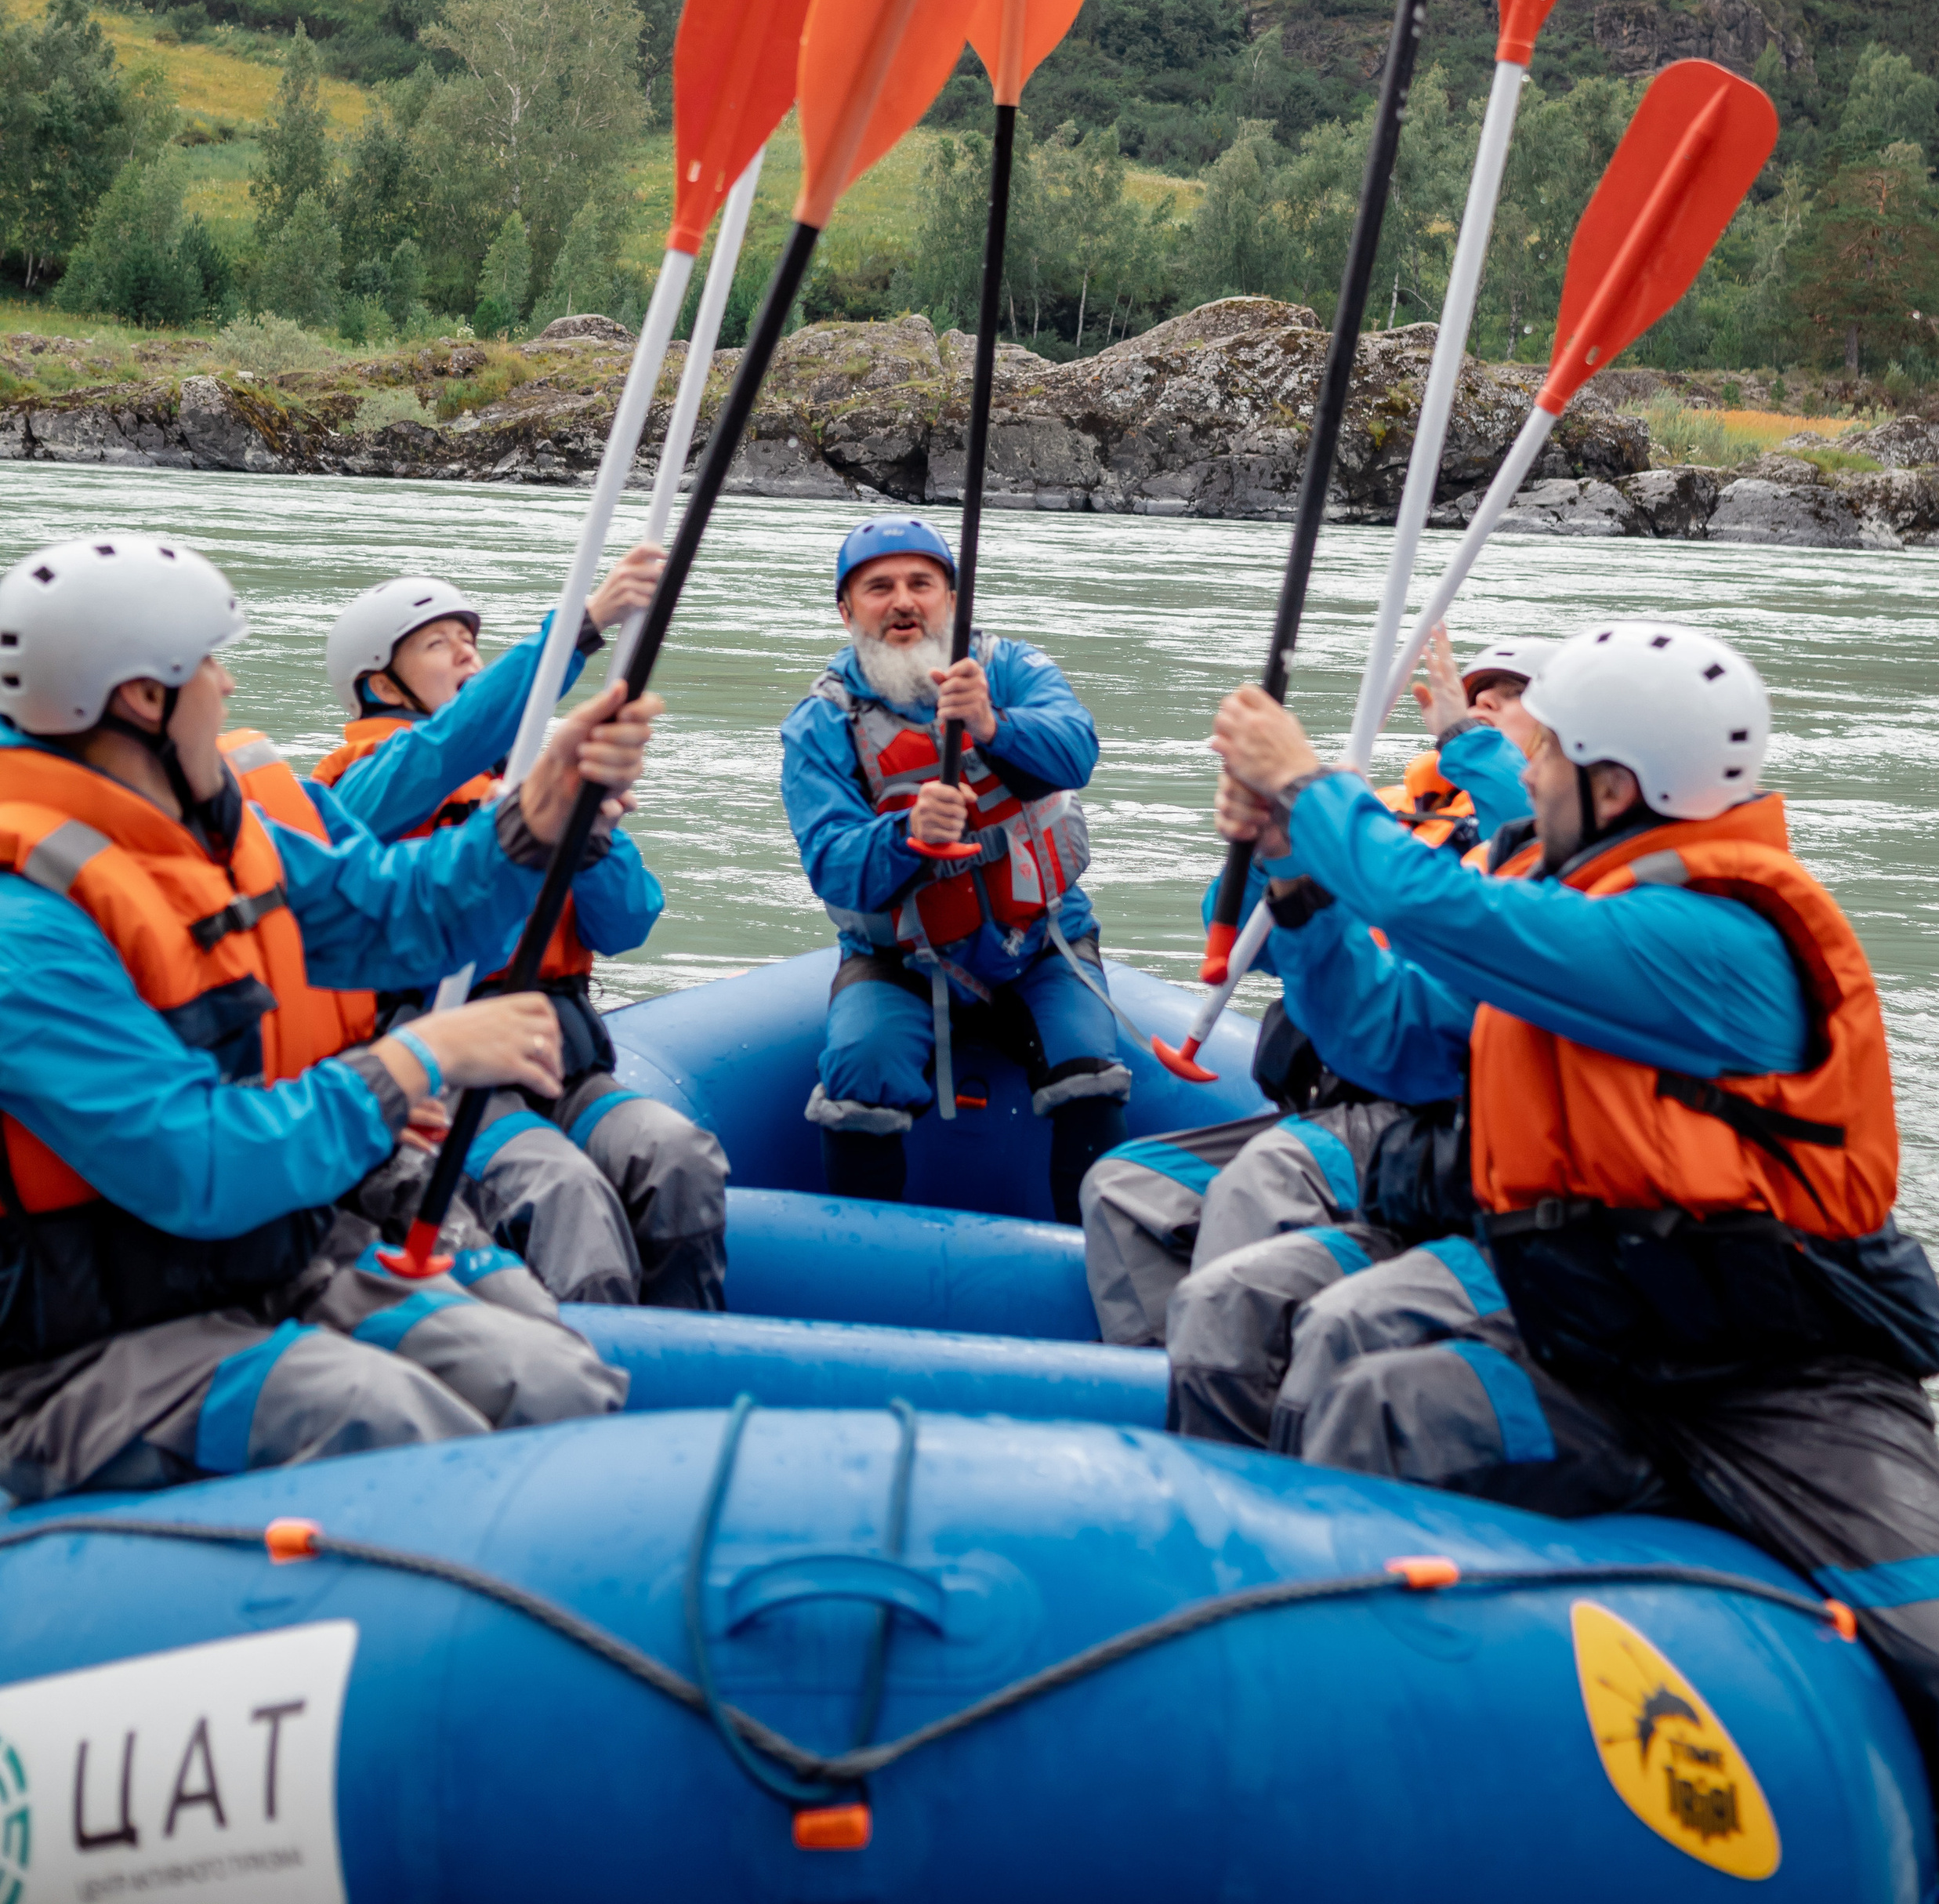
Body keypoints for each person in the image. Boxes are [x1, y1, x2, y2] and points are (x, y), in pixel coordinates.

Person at [1209, 619, 1939, 1904]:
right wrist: (1298, 890)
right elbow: (1395, 1039)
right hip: (1598, 1347)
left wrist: (1310, 787)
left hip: (1786, 1381)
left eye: (1547, 760)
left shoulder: (1716, 943)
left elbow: (1442, 909)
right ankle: (1321, 1750)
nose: (1523, 780)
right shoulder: (1569, 915)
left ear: (1615, 788)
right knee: (1373, 1400)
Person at [0, 533, 654, 1502]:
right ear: (143, 702)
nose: (226, 688)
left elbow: (403, 913)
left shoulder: (212, 833)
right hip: (76, 1354)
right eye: (209, 666)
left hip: (265, 1267)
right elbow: (201, 1166)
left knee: (551, 1384)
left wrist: (537, 823)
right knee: (382, 1417)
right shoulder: (27, 934)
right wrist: (412, 1062)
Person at [1081, 636, 1546, 1355]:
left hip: (1412, 1111)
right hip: (1331, 1095)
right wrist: (1282, 855)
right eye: (1480, 694)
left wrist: (1464, 740)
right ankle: (1163, 1374)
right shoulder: (1391, 817)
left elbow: (1519, 836)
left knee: (1267, 1180)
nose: (1485, 704)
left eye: (1511, 696)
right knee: (1123, 1188)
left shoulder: (1540, 851)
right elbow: (1249, 945)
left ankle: (1239, 1394)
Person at [314, 557, 727, 1311]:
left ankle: (686, 1361)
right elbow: (443, 751)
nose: (468, 653)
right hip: (453, 1086)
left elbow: (628, 923)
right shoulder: (360, 788)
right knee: (568, 1197)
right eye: (440, 643)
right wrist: (583, 627)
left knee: (679, 1158)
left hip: (562, 1069)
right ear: (381, 684)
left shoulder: (535, 780)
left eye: (472, 640)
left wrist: (589, 836)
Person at [780, 517, 1127, 1220]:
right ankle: (865, 1264)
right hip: (901, 962)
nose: (903, 601)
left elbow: (1077, 754)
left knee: (1090, 1069)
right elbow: (834, 866)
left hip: (1038, 946)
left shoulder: (1013, 670)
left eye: (921, 584)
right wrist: (908, 836)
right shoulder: (819, 724)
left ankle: (1093, 1264)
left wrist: (995, 726)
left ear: (951, 599)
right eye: (879, 588)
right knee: (858, 1070)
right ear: (848, 612)